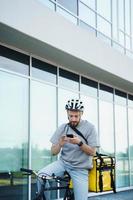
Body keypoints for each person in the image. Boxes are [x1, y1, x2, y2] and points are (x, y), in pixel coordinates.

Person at [38, 99, 99, 200]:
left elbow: (93, 152)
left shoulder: (90, 128)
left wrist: (79, 143)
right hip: (63, 163)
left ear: (81, 114)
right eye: (71, 116)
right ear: (67, 114)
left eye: (76, 116)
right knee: (41, 176)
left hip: (80, 168)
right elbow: (53, 152)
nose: (73, 119)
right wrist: (60, 144)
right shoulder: (62, 128)